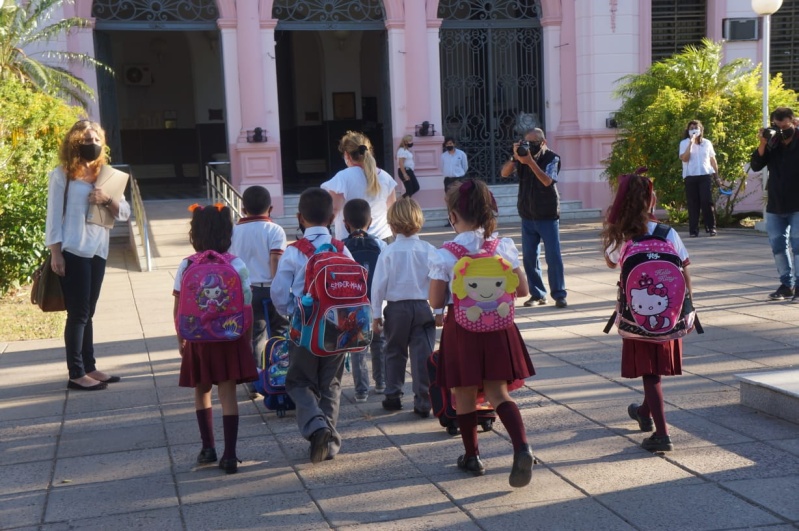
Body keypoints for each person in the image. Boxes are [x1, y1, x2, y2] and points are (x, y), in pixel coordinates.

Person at [429, 178, 535, 488]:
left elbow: (435, 301)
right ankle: (522, 447)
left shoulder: (446, 254)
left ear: (452, 215)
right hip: (499, 327)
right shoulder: (502, 247)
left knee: (462, 393)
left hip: (461, 329)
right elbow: (523, 290)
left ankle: (472, 456)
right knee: (498, 393)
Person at [600, 173, 691, 452]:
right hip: (669, 312)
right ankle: (643, 412)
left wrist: (614, 225)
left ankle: (662, 435)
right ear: (651, 200)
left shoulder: (623, 236)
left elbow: (610, 263)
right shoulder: (667, 233)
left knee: (650, 373)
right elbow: (685, 270)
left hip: (636, 316)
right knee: (655, 370)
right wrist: (688, 308)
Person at [45, 120, 131, 391]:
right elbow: (52, 217)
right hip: (73, 250)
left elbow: (124, 213)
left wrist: (106, 199)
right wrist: (56, 253)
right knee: (78, 313)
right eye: (86, 140)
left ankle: (90, 366)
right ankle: (76, 373)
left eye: (96, 139)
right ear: (74, 144)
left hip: (98, 250)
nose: (92, 144)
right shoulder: (62, 175)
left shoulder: (107, 176)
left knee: (88, 311)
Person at [271, 188, 353, 463]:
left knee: (298, 381)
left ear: (300, 218)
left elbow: (279, 292)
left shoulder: (294, 253)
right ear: (332, 217)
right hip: (338, 327)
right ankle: (329, 443)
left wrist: (289, 313)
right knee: (331, 383)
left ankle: (317, 426)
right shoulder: (342, 248)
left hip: (305, 328)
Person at [173, 203, 257, 474]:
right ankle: (230, 455)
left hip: (198, 337)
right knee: (228, 393)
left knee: (202, 389)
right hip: (230, 336)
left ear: (194, 234)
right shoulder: (236, 264)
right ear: (227, 233)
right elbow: (247, 304)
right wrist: (246, 336)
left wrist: (181, 336)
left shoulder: (187, 264)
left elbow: (178, 305)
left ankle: (207, 447)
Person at [371, 197, 437, 417]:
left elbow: (378, 286)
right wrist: (439, 311)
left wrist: (376, 314)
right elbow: (438, 280)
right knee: (423, 355)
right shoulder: (428, 249)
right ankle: (423, 401)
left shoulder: (388, 252)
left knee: (394, 351)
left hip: (396, 309)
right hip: (422, 307)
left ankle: (393, 395)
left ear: (391, 224)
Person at [229, 185, 288, 397]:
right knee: (280, 332)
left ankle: (255, 383)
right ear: (270, 208)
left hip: (246, 291)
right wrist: (279, 287)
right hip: (271, 288)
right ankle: (281, 376)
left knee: (255, 336)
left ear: (243, 209)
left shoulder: (233, 231)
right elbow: (276, 260)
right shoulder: (275, 230)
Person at [500, 127, 567, 308]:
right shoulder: (522, 158)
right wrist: (515, 157)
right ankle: (537, 294)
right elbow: (504, 173)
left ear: (543, 142)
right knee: (529, 258)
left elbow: (547, 181)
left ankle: (559, 294)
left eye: (533, 143)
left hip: (547, 214)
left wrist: (530, 162)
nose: (529, 146)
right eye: (526, 143)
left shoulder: (552, 158)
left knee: (553, 257)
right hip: (527, 214)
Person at [750, 106, 799, 303]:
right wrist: (763, 142)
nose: (781, 131)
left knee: (798, 247)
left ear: (794, 122)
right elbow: (756, 165)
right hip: (776, 204)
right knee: (778, 247)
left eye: (784, 127)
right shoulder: (773, 142)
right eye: (777, 126)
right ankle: (787, 285)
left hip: (797, 203)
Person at [341, 198, 387, 402]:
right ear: (371, 221)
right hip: (377, 304)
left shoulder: (341, 246)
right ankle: (382, 382)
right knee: (379, 343)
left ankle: (361, 390)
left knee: (358, 347)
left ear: (345, 223)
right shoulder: (380, 244)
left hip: (354, 306)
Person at [322, 130, 397, 242]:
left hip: (350, 241)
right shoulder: (386, 177)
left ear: (347, 155)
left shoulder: (342, 177)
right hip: (383, 238)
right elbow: (392, 210)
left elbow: (334, 209)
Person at [679, 119, 721, 237]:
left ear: (701, 130)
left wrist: (717, 177)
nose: (694, 130)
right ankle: (693, 230)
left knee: (706, 201)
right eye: (691, 128)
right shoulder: (684, 143)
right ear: (688, 131)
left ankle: (711, 227)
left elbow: (713, 160)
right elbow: (685, 158)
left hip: (705, 175)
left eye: (696, 128)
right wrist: (691, 143)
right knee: (693, 204)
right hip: (690, 176)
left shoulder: (707, 143)